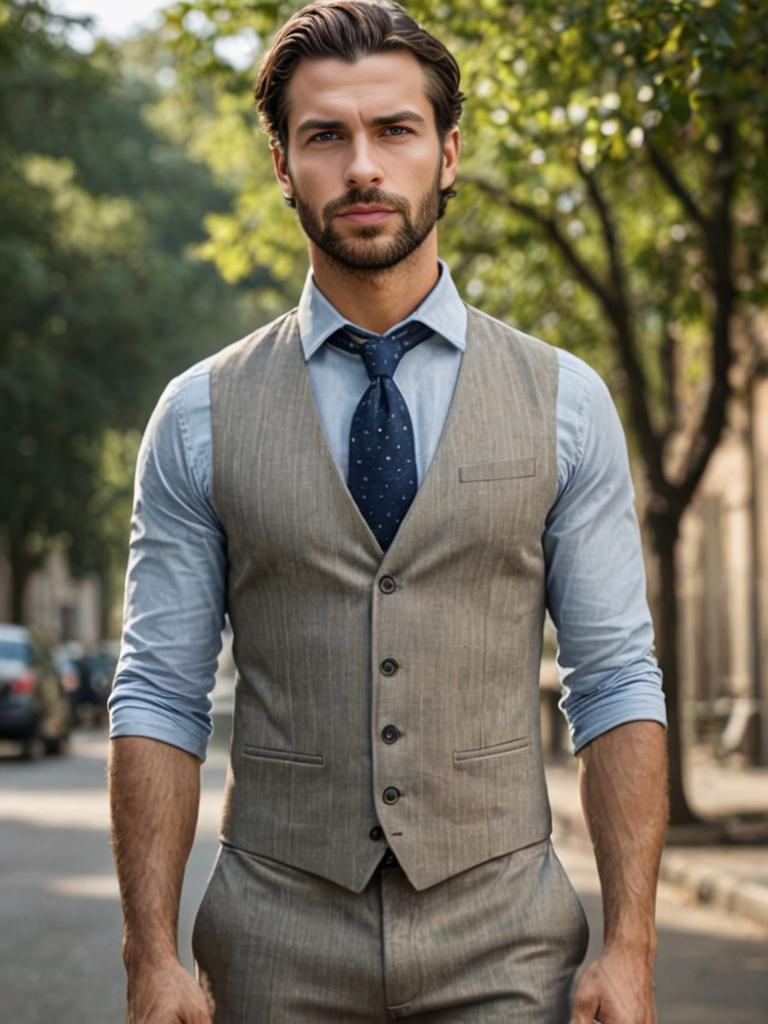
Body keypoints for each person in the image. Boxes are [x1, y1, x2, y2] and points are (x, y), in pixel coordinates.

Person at [108, 2, 669, 1022]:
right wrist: (149, 952)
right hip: (271, 943)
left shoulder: (568, 401)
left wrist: (631, 943)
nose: (362, 165)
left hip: (507, 943)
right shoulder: (197, 416)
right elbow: (158, 693)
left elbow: (615, 677)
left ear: (448, 153)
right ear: (282, 163)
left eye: (395, 130)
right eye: (325, 135)